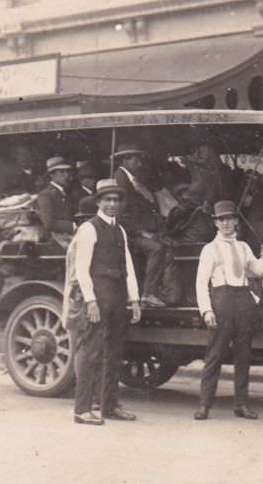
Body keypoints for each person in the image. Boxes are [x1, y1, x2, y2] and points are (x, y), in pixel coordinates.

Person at [194, 200, 263, 421]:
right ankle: (204, 404)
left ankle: (241, 404)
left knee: (243, 356)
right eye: (221, 219)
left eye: (229, 219)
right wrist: (206, 310)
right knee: (214, 354)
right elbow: (201, 282)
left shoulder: (243, 247)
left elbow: (258, 269)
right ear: (215, 223)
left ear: (235, 221)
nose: (226, 223)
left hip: (243, 300)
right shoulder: (209, 249)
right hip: (221, 301)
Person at [70, 179, 141, 425]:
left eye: (116, 200)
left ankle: (109, 406)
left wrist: (134, 299)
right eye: (107, 200)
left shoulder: (120, 230)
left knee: (114, 353)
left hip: (118, 296)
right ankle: (82, 409)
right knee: (91, 352)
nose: (112, 204)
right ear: (98, 202)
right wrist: (91, 301)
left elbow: (128, 266)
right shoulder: (89, 229)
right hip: (99, 296)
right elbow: (81, 268)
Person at [113, 143, 173, 307]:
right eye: (136, 160)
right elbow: (122, 215)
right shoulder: (121, 180)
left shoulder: (130, 179)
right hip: (126, 234)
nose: (139, 164)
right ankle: (149, 293)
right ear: (125, 160)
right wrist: (142, 233)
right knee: (156, 248)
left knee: (162, 243)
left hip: (134, 231)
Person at [35, 156, 76, 238]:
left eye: (67, 171)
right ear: (52, 174)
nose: (66, 175)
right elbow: (49, 223)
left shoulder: (65, 192)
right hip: (54, 240)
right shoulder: (46, 194)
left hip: (66, 236)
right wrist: (72, 226)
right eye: (62, 172)